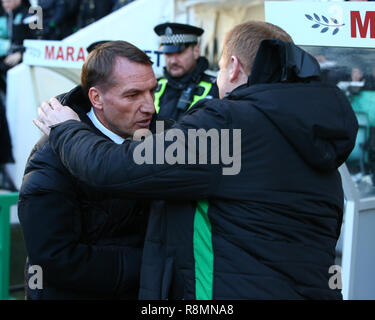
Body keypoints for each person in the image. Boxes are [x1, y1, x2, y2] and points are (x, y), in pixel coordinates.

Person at [35, 21, 358, 299]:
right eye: (134, 95)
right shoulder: (309, 129)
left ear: (232, 66)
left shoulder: (232, 122)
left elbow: (112, 168)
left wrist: (64, 127)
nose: (148, 105)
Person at [18, 41, 156, 299]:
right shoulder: (50, 159)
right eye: (133, 95)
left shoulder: (160, 138)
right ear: (96, 98)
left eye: (152, 91)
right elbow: (56, 259)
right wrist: (153, 262)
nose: (150, 106)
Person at [153, 22, 219, 121]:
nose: (173, 61)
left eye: (179, 53)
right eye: (168, 54)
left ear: (196, 51)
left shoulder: (216, 89)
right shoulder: (154, 87)